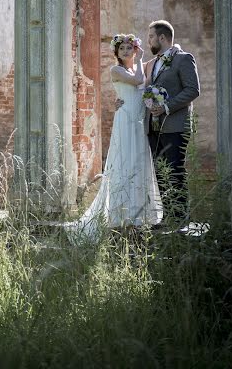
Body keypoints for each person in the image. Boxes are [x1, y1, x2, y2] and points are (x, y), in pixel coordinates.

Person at [64, 34, 163, 242]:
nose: (126, 51)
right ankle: (119, 215)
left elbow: (146, 78)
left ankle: (137, 214)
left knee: (138, 164)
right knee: (124, 164)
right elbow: (137, 81)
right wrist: (140, 58)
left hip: (138, 124)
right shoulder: (116, 70)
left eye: (129, 47)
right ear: (117, 53)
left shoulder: (136, 67)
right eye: (122, 49)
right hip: (125, 121)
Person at [142, 20, 200, 223]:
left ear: (162, 37)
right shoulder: (154, 62)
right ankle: (168, 217)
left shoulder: (183, 59)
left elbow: (193, 90)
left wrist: (166, 107)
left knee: (175, 171)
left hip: (175, 125)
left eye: (150, 36)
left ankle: (181, 220)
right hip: (154, 127)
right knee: (161, 173)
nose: (148, 40)